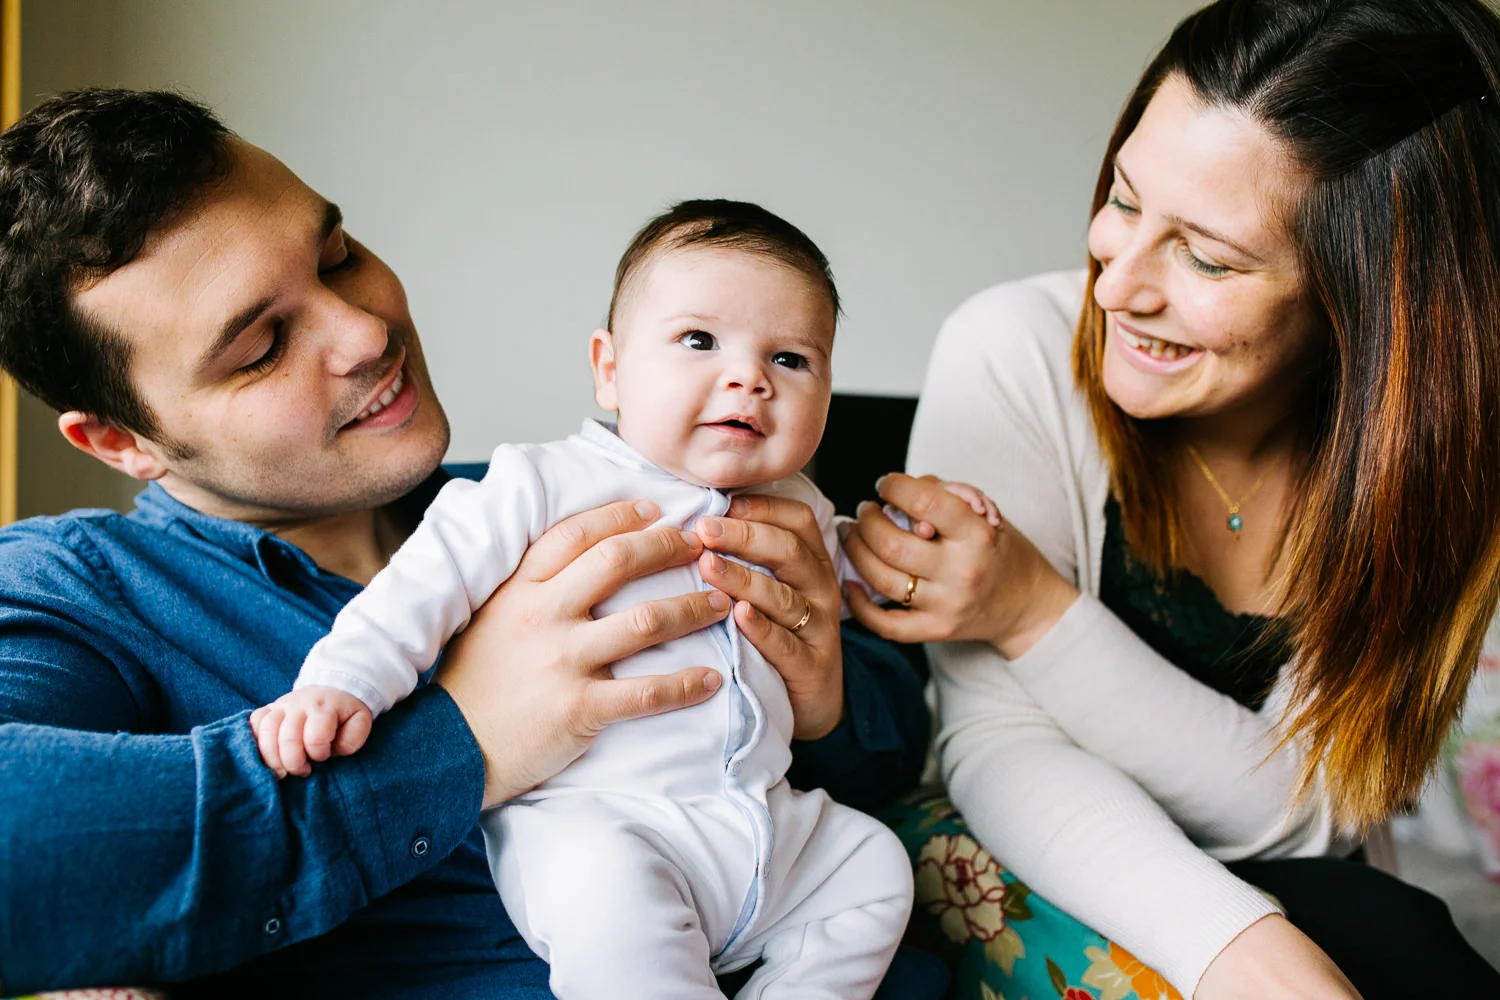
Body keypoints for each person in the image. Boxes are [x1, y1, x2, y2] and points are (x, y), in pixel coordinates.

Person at [0, 90, 940, 999]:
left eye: (336, 256)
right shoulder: (75, 592)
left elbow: (886, 742)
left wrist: (828, 689)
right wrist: (461, 739)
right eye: (261, 348)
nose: (366, 331)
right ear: (123, 442)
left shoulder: (531, 501)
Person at [842, 1, 1500, 998]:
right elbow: (998, 749)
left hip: (1318, 880)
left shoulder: (1435, 462)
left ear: (1368, 302)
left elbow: (1318, 807)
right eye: (1122, 197)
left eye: (1206, 256)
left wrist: (1032, 610)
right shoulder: (1014, 349)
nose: (1118, 285)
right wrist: (1238, 950)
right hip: (1046, 849)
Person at [252, 199, 1004, 999]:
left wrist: (916, 540)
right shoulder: (543, 482)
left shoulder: (803, 509)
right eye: (698, 341)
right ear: (610, 368)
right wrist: (341, 682)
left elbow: (858, 586)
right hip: (601, 822)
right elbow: (423, 584)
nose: (749, 378)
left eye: (791, 359)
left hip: (759, 825)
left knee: (874, 868)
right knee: (613, 921)